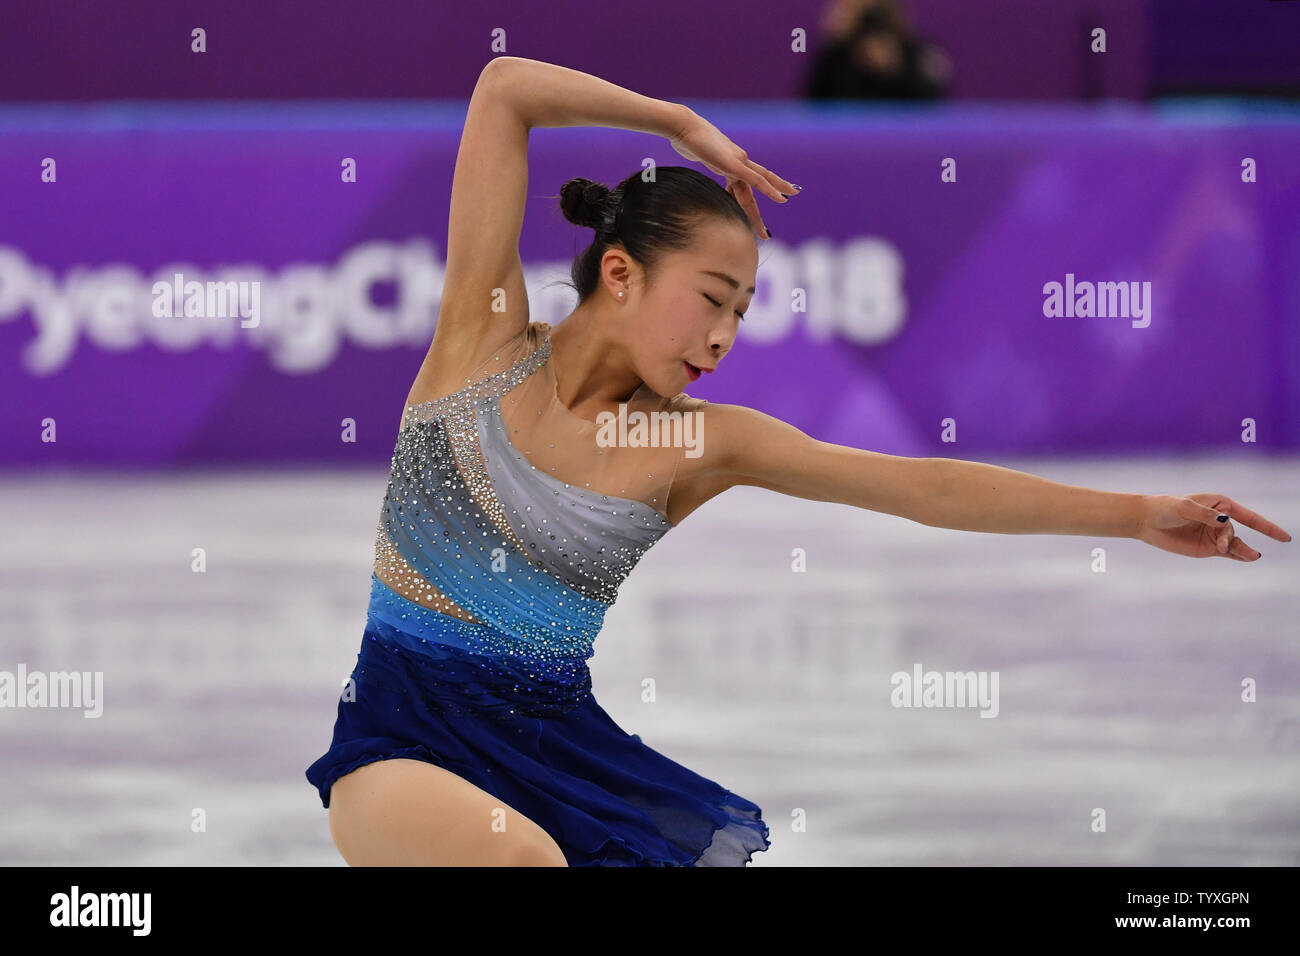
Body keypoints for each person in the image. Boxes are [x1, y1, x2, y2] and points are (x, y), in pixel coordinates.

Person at [305, 56, 1291, 866]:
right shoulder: (477, 342)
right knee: (518, 862)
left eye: (742, 309)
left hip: (562, 758)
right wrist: (674, 118)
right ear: (620, 271)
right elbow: (503, 89)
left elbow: (927, 485)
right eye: (713, 295)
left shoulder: (698, 441)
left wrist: (1132, 515)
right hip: (399, 734)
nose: (727, 332)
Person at [808, 0, 952, 100]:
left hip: (903, 137)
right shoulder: (837, 54)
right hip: (848, 136)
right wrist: (835, 46)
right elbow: (815, 104)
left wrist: (896, 69)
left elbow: (931, 103)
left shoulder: (915, 52)